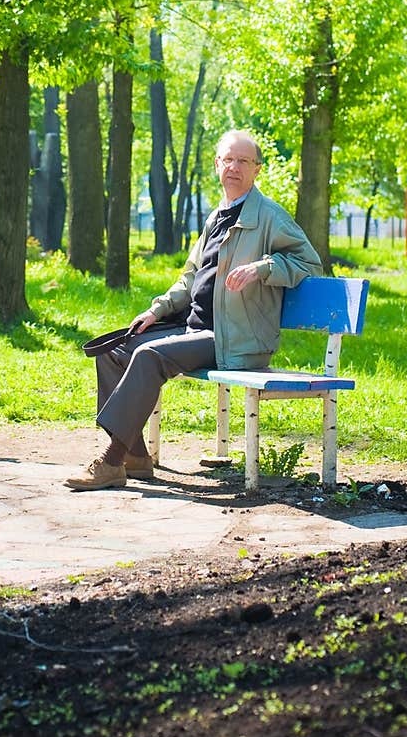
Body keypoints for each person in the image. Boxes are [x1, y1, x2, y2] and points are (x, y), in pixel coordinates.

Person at [66, 128, 323, 490]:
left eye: (243, 161)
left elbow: (310, 265)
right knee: (114, 352)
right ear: (217, 164)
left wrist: (263, 268)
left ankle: (110, 462)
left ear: (257, 169)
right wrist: (157, 311)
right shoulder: (217, 215)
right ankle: (136, 457)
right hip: (196, 329)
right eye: (228, 159)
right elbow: (191, 277)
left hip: (236, 339)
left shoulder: (268, 217)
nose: (234, 167)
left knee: (150, 355)